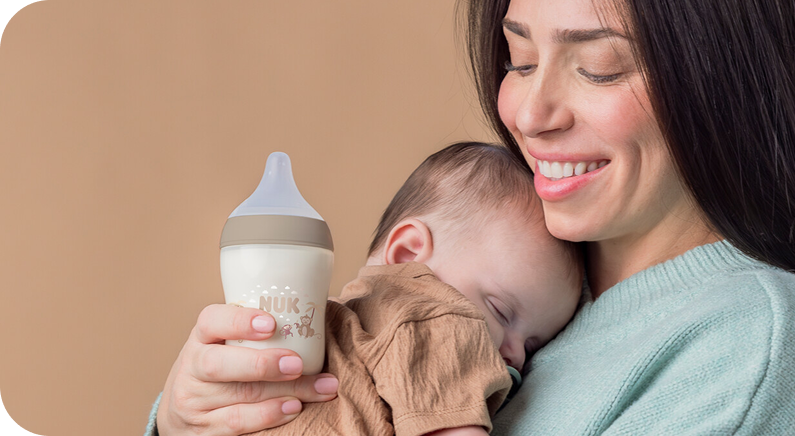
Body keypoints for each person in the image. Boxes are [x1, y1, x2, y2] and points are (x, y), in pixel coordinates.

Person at [153, 0, 795, 435]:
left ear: (724, 82)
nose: (529, 112)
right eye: (520, 57)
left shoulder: (762, 348)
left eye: (599, 66)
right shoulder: (502, 283)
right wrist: (194, 420)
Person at [155, 141, 582, 436]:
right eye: (502, 312)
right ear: (409, 254)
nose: (516, 355)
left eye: (533, 343)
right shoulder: (436, 316)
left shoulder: (325, 329)